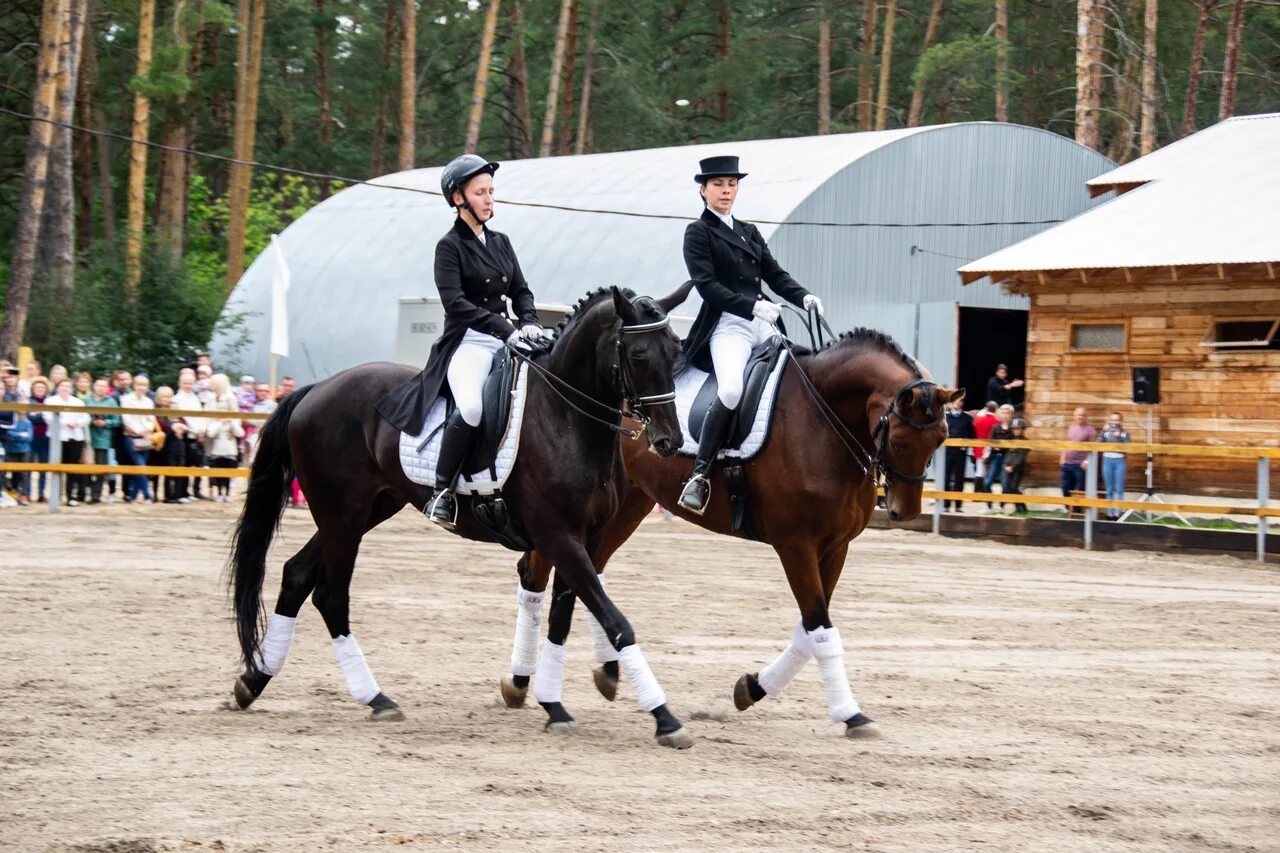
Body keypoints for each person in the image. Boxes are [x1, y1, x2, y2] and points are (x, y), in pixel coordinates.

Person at [376, 153, 543, 530]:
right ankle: (442, 490)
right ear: (458, 198)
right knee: (469, 407)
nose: (488, 199)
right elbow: (456, 304)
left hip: (507, 341)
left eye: (490, 192)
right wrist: (505, 328)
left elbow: (521, 289)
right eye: (480, 192)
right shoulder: (449, 247)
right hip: (468, 343)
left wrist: (529, 320)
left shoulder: (501, 242)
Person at [675, 155, 822, 514]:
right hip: (728, 325)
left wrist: (804, 297)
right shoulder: (698, 233)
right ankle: (700, 475)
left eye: (732, 184)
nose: (726, 191)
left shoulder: (749, 231)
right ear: (703, 190)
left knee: (801, 381)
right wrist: (750, 306)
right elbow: (707, 286)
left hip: (765, 323)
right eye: (718, 185)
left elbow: (775, 274)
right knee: (731, 389)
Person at [49, 378, 90, 506]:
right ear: (57, 388)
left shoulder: (78, 401)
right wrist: (66, 423)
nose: (65, 388)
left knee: (73, 468)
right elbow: (48, 417)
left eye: (68, 386)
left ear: (72, 389)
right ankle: (56, 496)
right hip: (59, 438)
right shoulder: (51, 401)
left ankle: (70, 495)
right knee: (57, 468)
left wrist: (77, 423)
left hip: (76, 437)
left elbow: (86, 417)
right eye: (62, 386)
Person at [204, 373, 244, 502]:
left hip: (226, 435)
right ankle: (213, 491)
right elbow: (206, 414)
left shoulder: (230, 397)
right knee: (214, 464)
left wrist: (233, 427)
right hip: (213, 431)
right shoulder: (211, 397)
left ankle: (226, 492)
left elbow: (236, 415)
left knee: (226, 466)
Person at [120, 375, 157, 502]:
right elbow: (127, 419)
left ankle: (133, 495)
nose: (142, 388)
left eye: (144, 385)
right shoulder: (126, 399)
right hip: (132, 436)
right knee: (141, 465)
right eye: (139, 384)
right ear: (134, 385)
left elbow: (151, 419)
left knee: (140, 466)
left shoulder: (149, 401)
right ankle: (147, 494)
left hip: (146, 436)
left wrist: (147, 430)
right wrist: (139, 431)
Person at [172, 368, 206, 500]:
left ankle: (190, 492)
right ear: (180, 383)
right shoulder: (177, 399)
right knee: (184, 465)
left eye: (191, 383)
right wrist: (194, 431)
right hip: (186, 435)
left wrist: (202, 430)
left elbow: (200, 416)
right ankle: (181, 493)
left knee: (195, 464)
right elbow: (184, 418)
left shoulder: (195, 398)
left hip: (197, 435)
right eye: (186, 383)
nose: (188, 385)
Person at [151, 386, 189, 503]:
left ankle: (173, 495)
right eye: (164, 396)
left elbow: (183, 421)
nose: (166, 399)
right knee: (157, 473)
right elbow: (160, 424)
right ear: (158, 397)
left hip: (174, 445)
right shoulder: (155, 410)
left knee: (174, 470)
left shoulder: (174, 408)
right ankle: (156, 495)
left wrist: (180, 427)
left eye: (168, 396)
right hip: (160, 445)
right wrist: (174, 427)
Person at [85, 377, 120, 504]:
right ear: (94, 386)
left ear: (107, 388)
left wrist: (105, 422)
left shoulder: (111, 402)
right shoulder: (86, 400)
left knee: (101, 469)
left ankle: (96, 495)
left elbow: (117, 420)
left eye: (103, 386)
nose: (100, 388)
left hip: (103, 439)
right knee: (86, 466)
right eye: (98, 385)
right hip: (87, 437)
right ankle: (85, 491)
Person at [943, 393, 974, 512]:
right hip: (947, 452)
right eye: (955, 401)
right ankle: (946, 505)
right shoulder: (945, 418)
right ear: (951, 403)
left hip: (960, 452)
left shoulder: (967, 418)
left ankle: (958, 505)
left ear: (962, 403)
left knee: (959, 479)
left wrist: (966, 447)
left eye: (960, 401)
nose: (957, 403)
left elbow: (971, 435)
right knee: (946, 478)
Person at [983, 405, 1016, 512]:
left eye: (1007, 413)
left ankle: (1002, 506)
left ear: (1011, 415)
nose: (1005, 415)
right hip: (995, 457)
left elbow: (1015, 445)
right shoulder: (995, 427)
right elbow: (991, 441)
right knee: (987, 482)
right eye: (1002, 412)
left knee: (1005, 485)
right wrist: (996, 446)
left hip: (1007, 458)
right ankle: (989, 504)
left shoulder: (1013, 429)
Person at [1099, 411, 1131, 520]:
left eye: (1117, 420)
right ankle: (1109, 513)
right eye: (1112, 420)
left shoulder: (1125, 433)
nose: (1114, 422)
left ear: (1121, 422)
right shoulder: (1106, 432)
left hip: (1120, 461)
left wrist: (1119, 437)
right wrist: (1103, 431)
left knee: (1119, 488)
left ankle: (1117, 514)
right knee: (1109, 489)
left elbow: (1128, 447)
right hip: (1107, 460)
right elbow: (1098, 443)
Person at [1060, 407, 1096, 500]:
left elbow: (1093, 448)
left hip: (1079, 465)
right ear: (1074, 416)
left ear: (1086, 417)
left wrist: (1086, 461)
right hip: (1067, 464)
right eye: (1078, 415)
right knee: (1065, 488)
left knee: (1080, 489)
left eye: (1082, 415)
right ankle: (1068, 508)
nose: (1080, 417)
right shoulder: (1071, 428)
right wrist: (1062, 459)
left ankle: (1077, 510)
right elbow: (1066, 443)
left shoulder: (1090, 430)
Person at [26, 378, 50, 502]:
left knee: (43, 468)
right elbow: (30, 418)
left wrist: (39, 415)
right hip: (32, 438)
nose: (40, 390)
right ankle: (27, 493)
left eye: (42, 388)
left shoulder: (50, 401)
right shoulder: (29, 401)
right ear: (33, 390)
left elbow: (48, 418)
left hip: (45, 438)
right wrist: (43, 415)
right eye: (37, 388)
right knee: (28, 467)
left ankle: (41, 493)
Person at [971, 402, 1000, 502]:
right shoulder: (996, 420)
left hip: (978, 447)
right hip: (989, 448)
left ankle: (977, 494)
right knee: (987, 472)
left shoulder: (978, 419)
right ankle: (984, 493)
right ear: (995, 409)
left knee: (979, 472)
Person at [1001, 417, 1029, 513]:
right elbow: (1005, 452)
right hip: (1006, 465)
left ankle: (1021, 506)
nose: (1016, 430)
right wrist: (1006, 465)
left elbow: (1021, 455)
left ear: (1022, 429)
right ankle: (1004, 505)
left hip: (1017, 468)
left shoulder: (1026, 441)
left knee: (1013, 487)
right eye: (1014, 428)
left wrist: (1013, 466)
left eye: (1018, 428)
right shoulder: (1009, 439)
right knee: (1005, 485)